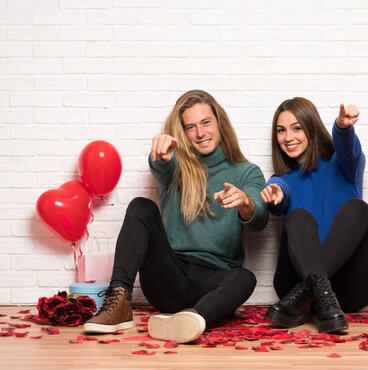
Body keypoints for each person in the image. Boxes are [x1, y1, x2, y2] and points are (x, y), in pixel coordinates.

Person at [84, 90, 268, 343]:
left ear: (219, 123)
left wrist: (246, 202)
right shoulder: (177, 166)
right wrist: (160, 156)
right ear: (183, 132)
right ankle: (118, 303)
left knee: (245, 277)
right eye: (190, 127)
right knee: (141, 206)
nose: (200, 133)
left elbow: (260, 219)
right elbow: (161, 164)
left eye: (205, 123)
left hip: (214, 281)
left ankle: (193, 318)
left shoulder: (247, 172)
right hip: (169, 277)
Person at [260, 97, 368, 334]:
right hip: (292, 281)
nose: (288, 137)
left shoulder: (344, 165)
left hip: (348, 290)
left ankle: (309, 292)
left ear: (311, 127)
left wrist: (342, 128)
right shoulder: (283, 180)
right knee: (298, 216)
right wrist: (275, 192)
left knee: (359, 208)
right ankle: (316, 292)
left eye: (296, 128)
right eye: (281, 131)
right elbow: (279, 192)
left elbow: (348, 150)